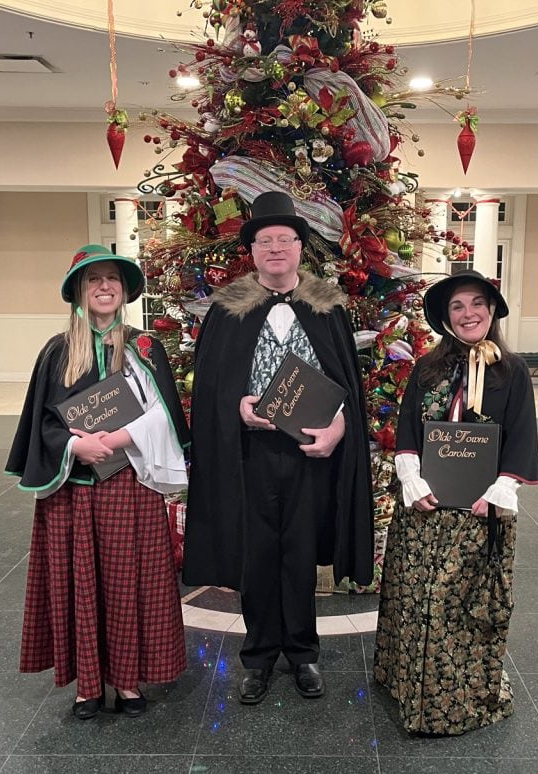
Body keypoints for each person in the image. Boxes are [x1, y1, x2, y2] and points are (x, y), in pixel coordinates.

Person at [183, 191, 373, 705]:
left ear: (299, 248)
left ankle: (303, 653)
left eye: (284, 239)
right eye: (264, 240)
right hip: (251, 454)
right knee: (258, 556)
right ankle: (259, 655)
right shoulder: (226, 311)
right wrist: (235, 410)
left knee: (300, 555)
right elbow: (211, 388)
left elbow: (347, 386)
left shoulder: (328, 308)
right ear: (252, 250)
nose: (275, 248)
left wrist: (339, 430)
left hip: (310, 452)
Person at [6, 244, 190, 720]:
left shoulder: (145, 347)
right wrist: (74, 447)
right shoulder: (58, 351)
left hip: (131, 486)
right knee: (82, 586)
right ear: (78, 292)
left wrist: (124, 435)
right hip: (75, 491)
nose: (105, 286)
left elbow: (166, 415)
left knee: (131, 585)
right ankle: (88, 684)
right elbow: (41, 425)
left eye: (113, 279)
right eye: (94, 279)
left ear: (125, 290)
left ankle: (127, 682)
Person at [374, 270, 538, 735]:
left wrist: (499, 491)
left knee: (459, 606)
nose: (469, 314)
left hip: (478, 514)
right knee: (417, 600)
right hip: (424, 509)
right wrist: (412, 478)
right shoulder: (427, 368)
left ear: (492, 311)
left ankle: (460, 699)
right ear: (446, 318)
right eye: (457, 307)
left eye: (477, 304)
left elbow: (522, 438)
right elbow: (408, 429)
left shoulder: (513, 372)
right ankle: (410, 684)